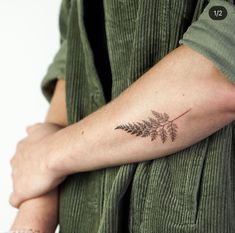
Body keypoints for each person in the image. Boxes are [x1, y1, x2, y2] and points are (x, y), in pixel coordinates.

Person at [9, 0, 235, 232]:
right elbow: (74, 56)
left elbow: (218, 73)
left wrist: (48, 158)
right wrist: (36, 208)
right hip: (84, 216)